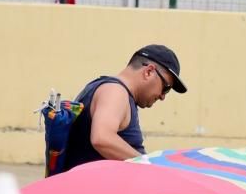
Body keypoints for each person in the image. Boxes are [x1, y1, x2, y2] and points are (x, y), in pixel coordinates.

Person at [63, 44, 187, 172]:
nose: (162, 97)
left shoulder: (113, 91)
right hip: (90, 189)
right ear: (149, 72)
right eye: (166, 87)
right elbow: (102, 139)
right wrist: (150, 166)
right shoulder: (115, 92)